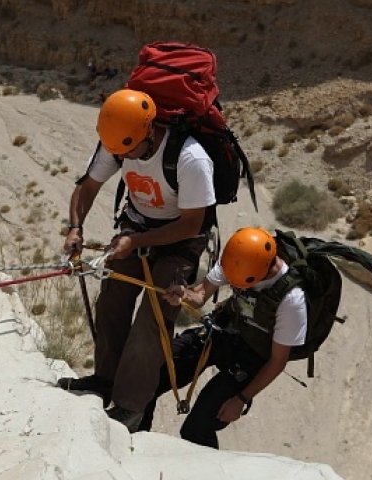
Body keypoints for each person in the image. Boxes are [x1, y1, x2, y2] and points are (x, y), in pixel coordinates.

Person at [57, 88, 216, 432]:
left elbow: (191, 223)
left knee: (153, 317)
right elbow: (86, 188)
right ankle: (105, 380)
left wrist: (136, 240)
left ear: (149, 132)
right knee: (112, 299)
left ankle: (130, 408)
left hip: (181, 240)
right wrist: (75, 228)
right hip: (136, 226)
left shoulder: (191, 158)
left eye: (127, 151)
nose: (121, 158)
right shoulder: (118, 143)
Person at [139, 227, 309, 448]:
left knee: (197, 428)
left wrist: (241, 399)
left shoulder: (291, 301)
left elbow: (277, 361)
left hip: (253, 355)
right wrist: (184, 294)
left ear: (262, 272)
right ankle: (135, 442)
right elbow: (200, 294)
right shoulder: (238, 258)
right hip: (224, 332)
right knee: (151, 375)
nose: (234, 285)